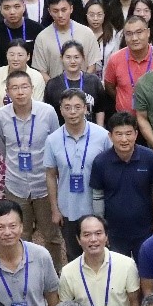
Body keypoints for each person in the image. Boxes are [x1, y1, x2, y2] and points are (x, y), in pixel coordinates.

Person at [0, 71, 64, 268]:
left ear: (32, 89)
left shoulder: (48, 112)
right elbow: (3, 147)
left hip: (44, 185)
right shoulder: (0, 116)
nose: (20, 92)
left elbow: (55, 145)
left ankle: (55, 273)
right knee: (20, 235)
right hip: (15, 185)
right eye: (14, 88)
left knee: (51, 235)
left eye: (24, 87)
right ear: (7, 91)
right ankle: (25, 272)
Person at [44, 90, 112, 261]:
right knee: (74, 255)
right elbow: (51, 175)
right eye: (67, 107)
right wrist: (55, 209)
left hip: (97, 207)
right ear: (61, 110)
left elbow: (111, 169)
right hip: (68, 208)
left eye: (77, 107)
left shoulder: (102, 136)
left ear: (86, 109)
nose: (72, 112)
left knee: (101, 253)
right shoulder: (53, 140)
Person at [90, 111, 153, 258]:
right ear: (110, 136)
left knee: (145, 268)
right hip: (114, 232)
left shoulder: (150, 158)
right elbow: (97, 196)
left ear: (136, 134)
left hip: (145, 230)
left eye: (128, 134)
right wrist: (101, 228)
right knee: (119, 269)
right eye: (119, 134)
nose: (124, 139)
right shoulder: (100, 162)